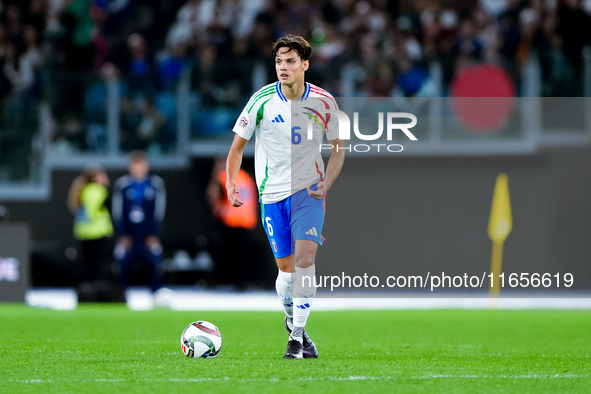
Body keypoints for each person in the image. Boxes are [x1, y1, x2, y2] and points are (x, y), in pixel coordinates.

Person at [225, 35, 345, 359]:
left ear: (305, 64)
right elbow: (237, 147)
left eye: (290, 61)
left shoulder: (323, 101)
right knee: (286, 268)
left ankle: (295, 339)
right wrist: (230, 181)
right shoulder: (261, 100)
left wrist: (328, 181)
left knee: (306, 261)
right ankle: (294, 321)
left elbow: (338, 149)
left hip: (308, 193)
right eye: (279, 61)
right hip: (272, 195)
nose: (283, 67)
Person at [112, 151, 166, 291]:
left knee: (154, 261)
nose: (138, 169)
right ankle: (121, 294)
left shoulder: (156, 184)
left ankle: (156, 293)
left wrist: (154, 235)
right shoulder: (123, 185)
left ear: (146, 166)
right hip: (128, 235)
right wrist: (123, 235)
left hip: (148, 234)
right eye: (135, 166)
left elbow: (158, 213)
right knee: (123, 262)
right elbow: (117, 212)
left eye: (141, 165)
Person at [207, 156, 258, 289]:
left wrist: (215, 175)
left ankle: (220, 280)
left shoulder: (225, 176)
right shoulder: (244, 176)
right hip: (246, 220)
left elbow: (212, 196)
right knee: (241, 253)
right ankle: (242, 282)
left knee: (224, 252)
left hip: (230, 219)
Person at [67, 165, 114, 284]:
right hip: (99, 233)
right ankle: (98, 291)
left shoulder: (81, 190)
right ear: (96, 178)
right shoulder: (98, 191)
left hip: (83, 233)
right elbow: (93, 212)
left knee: (87, 264)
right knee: (100, 265)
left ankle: (87, 291)